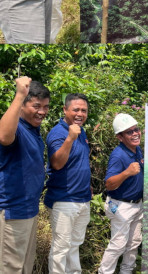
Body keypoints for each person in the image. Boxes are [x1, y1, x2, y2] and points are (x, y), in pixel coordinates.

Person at [0, 77, 50, 273]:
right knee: (10, 268)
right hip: (13, 212)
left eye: (46, 107)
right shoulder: (17, 128)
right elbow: (3, 136)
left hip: (29, 211)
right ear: (22, 105)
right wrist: (20, 94)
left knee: (24, 267)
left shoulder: (33, 131)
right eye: (37, 106)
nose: (42, 111)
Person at [44, 93, 92, 273]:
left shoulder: (80, 131)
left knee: (75, 245)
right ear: (65, 110)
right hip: (64, 199)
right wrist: (70, 138)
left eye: (84, 110)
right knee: (61, 248)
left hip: (82, 198)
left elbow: (78, 162)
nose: (80, 114)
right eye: (76, 109)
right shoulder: (59, 132)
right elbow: (57, 163)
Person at [98, 114, 144, 274]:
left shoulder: (137, 149)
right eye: (129, 132)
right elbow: (109, 184)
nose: (135, 134)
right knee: (118, 244)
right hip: (121, 205)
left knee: (134, 243)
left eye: (136, 129)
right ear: (120, 137)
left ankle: (127, 271)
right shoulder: (118, 155)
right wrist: (127, 173)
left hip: (137, 204)